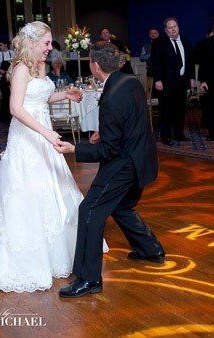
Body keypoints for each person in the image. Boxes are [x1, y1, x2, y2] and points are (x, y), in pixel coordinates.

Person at [0, 22, 108, 293]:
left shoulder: (40, 66)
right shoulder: (20, 68)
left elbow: (39, 98)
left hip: (42, 132)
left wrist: (65, 94)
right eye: (47, 43)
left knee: (53, 186)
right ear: (33, 42)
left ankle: (66, 247)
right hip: (26, 136)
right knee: (25, 191)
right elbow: (16, 108)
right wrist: (47, 134)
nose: (51, 48)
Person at [56, 41, 165, 298]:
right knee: (121, 206)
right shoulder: (130, 82)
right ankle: (151, 250)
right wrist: (103, 133)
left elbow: (108, 152)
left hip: (124, 164)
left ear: (94, 66)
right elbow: (131, 121)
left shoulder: (112, 98)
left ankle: (88, 279)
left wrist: (75, 149)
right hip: (142, 158)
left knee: (90, 210)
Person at [151, 17, 195, 146]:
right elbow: (156, 63)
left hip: (182, 81)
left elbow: (190, 62)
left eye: (175, 26)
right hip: (165, 82)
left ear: (178, 27)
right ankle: (166, 136)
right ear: (165, 30)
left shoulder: (186, 42)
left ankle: (179, 133)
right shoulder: (159, 42)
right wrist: (157, 80)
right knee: (166, 110)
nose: (173, 29)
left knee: (180, 109)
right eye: (170, 27)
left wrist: (192, 78)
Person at [0, 40, 15, 120]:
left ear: (6, 45)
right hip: (2, 78)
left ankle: (13, 112)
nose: (0, 47)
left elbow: (15, 63)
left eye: (1, 45)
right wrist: (0, 70)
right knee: (5, 96)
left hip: (12, 77)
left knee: (12, 95)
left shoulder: (12, 53)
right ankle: (5, 115)